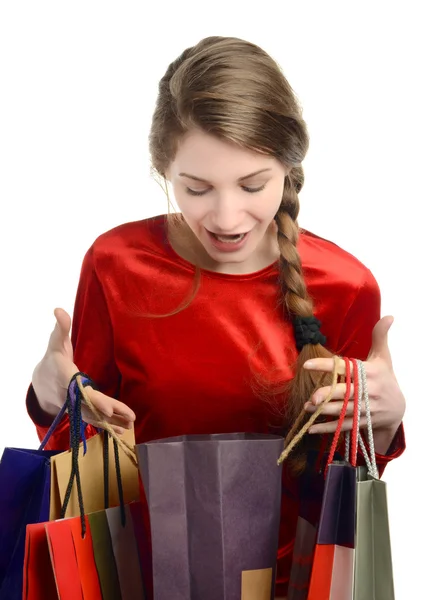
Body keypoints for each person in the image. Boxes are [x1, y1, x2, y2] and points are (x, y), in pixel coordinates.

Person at [27, 36, 406, 598]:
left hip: (290, 584)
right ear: (164, 169)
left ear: (289, 167)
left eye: (253, 185)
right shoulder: (116, 264)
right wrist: (50, 396)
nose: (226, 216)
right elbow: (81, 459)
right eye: (197, 188)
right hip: (139, 576)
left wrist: (386, 420)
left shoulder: (344, 286)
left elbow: (342, 486)